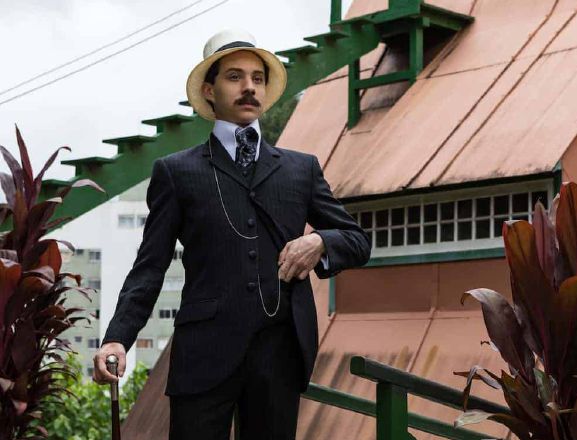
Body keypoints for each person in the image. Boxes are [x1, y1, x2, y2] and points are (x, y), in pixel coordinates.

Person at [92, 29, 371, 439]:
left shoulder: (301, 168)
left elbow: (358, 241)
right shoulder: (176, 171)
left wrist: (320, 242)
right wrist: (118, 337)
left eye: (258, 78)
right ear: (210, 90)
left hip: (280, 354)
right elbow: (149, 266)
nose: (249, 87)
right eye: (235, 77)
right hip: (203, 353)